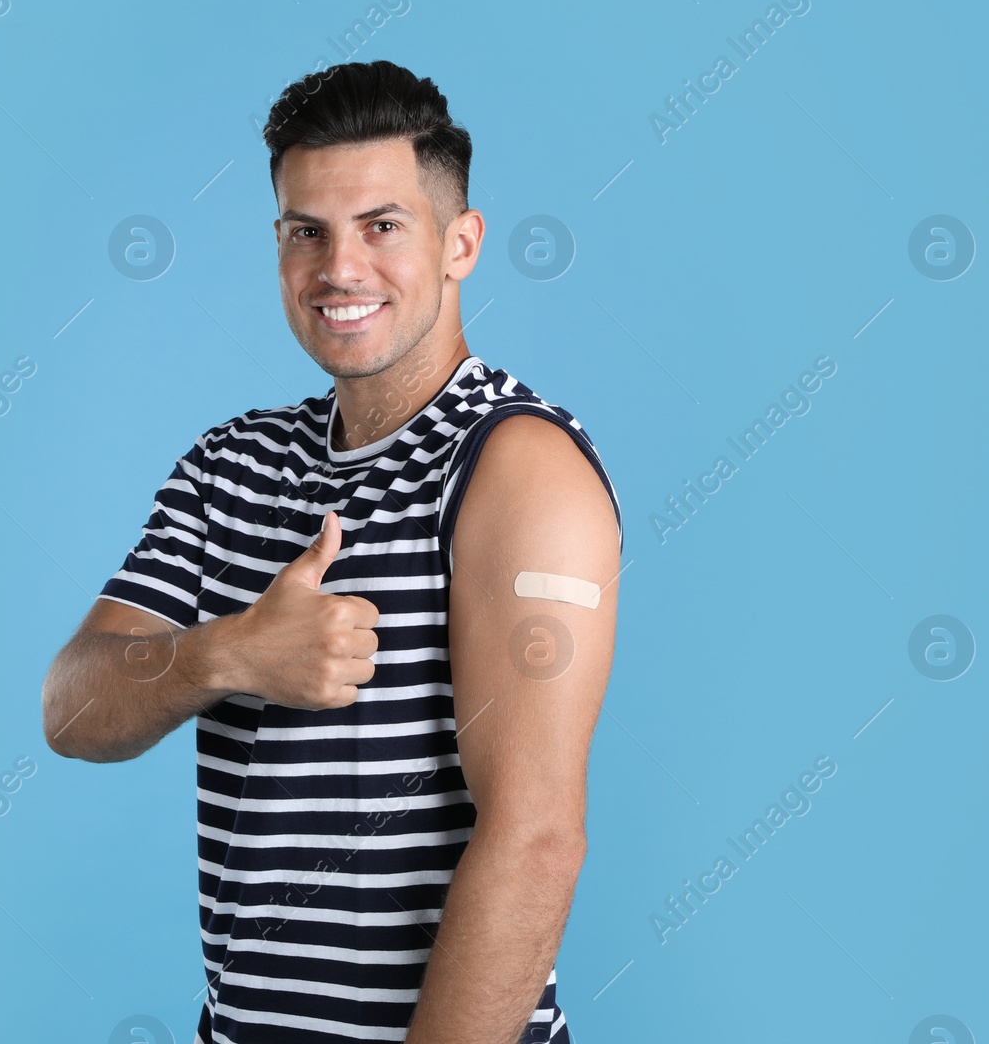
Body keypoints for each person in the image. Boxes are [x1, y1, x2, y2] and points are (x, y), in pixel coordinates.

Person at [42, 59, 622, 1043]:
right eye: (305, 232)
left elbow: (535, 839)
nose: (339, 268)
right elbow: (72, 706)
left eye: (381, 226)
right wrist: (228, 655)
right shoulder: (229, 466)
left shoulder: (516, 466)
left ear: (460, 243)